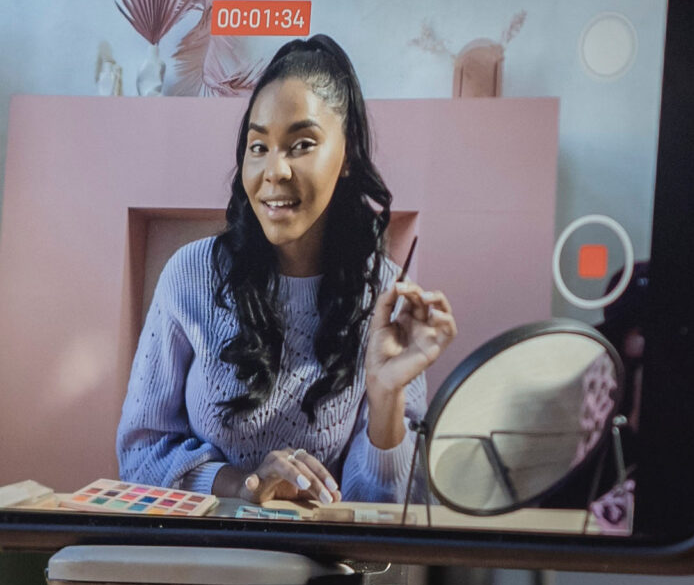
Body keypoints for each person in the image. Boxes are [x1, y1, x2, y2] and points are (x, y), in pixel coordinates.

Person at [117, 35, 457, 505]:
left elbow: (383, 506)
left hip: (320, 566)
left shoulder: (385, 296)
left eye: (301, 144)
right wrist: (245, 483)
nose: (274, 170)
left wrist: (385, 395)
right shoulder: (190, 275)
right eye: (259, 146)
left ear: (348, 154)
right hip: (201, 557)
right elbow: (139, 455)